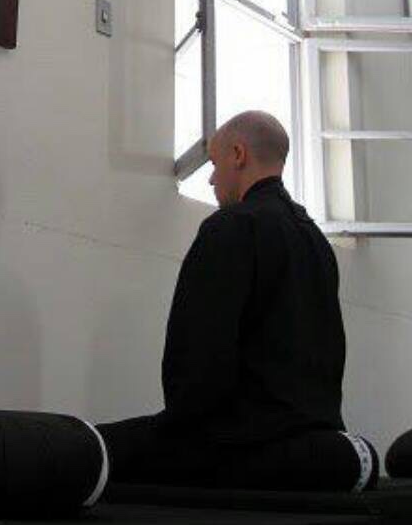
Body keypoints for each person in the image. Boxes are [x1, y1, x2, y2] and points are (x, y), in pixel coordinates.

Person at [97, 111, 378, 492]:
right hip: (317, 437)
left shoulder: (232, 226)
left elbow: (199, 359)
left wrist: (182, 429)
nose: (212, 179)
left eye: (214, 164)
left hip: (243, 442)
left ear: (238, 154)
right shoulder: (317, 243)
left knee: (95, 451)